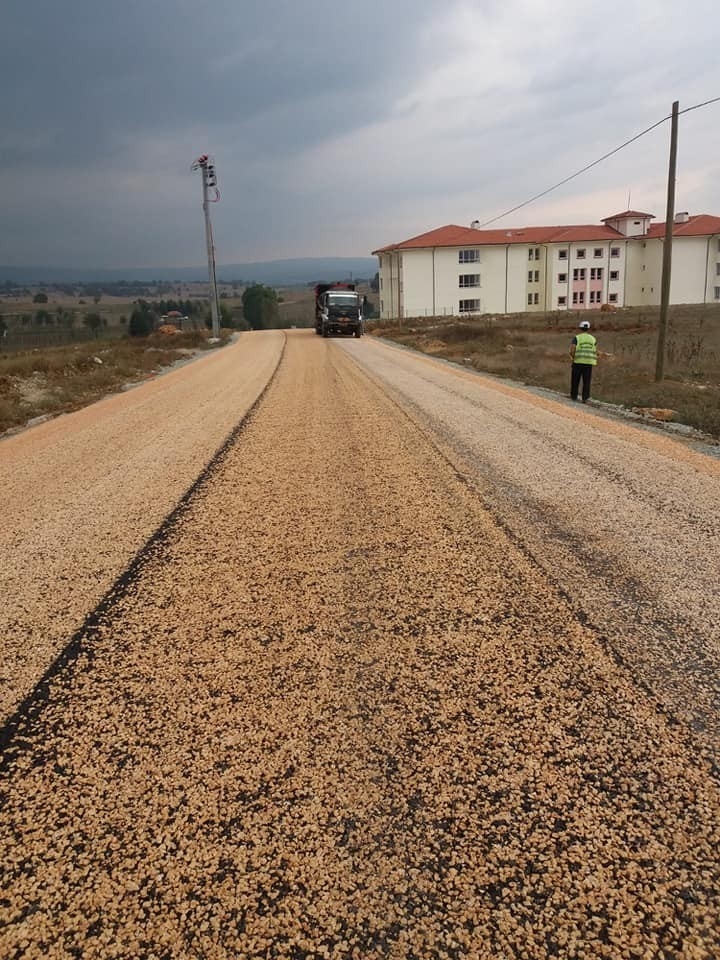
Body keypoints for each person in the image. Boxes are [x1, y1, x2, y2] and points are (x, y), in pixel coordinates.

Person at [569, 320, 597, 403]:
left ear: (580, 328)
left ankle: (574, 396)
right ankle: (585, 398)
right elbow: (595, 350)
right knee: (586, 381)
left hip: (578, 362)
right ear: (588, 328)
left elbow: (572, 349)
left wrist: (573, 357)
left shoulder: (577, 338)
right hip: (589, 363)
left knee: (575, 380)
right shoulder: (593, 338)